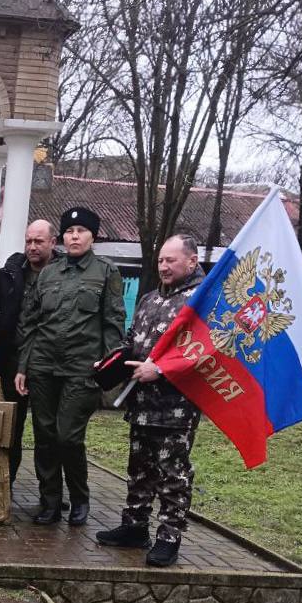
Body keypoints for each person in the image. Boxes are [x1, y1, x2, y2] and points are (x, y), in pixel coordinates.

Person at [96, 235, 204, 567]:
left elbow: (203, 353)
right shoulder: (150, 298)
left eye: (171, 260)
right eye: (160, 260)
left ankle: (168, 538)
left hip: (176, 407)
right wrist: (112, 364)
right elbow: (133, 340)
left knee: (173, 474)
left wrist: (160, 370)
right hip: (141, 403)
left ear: (191, 260)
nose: (164, 266)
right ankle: (134, 527)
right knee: (139, 470)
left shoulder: (201, 302)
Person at [15, 207, 125, 526]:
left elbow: (114, 322)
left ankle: (79, 498)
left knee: (68, 437)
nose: (74, 236)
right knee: (45, 436)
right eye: (69, 231)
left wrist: (107, 366)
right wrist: (24, 366)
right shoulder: (49, 273)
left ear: (93, 236)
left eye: (81, 230)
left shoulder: (106, 272)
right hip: (43, 366)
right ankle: (49, 501)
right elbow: (31, 322)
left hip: (82, 367)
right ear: (62, 237)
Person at [0, 219, 59, 486]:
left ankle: (51, 495)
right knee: (10, 426)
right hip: (11, 361)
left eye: (39, 241)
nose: (32, 247)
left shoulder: (65, 273)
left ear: (52, 242)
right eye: (29, 241)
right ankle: (4, 486)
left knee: (51, 432)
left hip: (50, 362)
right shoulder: (9, 273)